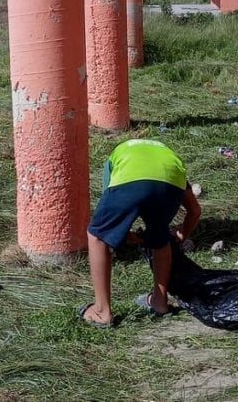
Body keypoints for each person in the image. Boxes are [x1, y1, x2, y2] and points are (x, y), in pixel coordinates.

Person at [80, 139, 201, 328]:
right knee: (161, 240)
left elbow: (111, 205)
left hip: (131, 179)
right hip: (170, 184)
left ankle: (101, 311)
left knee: (97, 235)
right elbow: (195, 211)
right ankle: (160, 303)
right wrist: (182, 233)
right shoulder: (168, 159)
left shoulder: (117, 155)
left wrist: (124, 234)